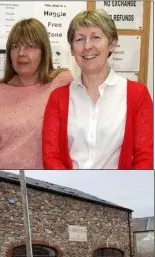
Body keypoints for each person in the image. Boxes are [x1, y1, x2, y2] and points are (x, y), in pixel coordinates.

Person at [42, 9, 153, 169]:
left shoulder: (138, 95)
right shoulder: (57, 98)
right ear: (72, 49)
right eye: (80, 39)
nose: (87, 46)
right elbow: (51, 157)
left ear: (112, 44)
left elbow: (144, 159)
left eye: (95, 37)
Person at [0, 18, 73, 169]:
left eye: (30, 46)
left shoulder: (61, 82)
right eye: (15, 46)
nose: (21, 53)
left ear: (43, 52)